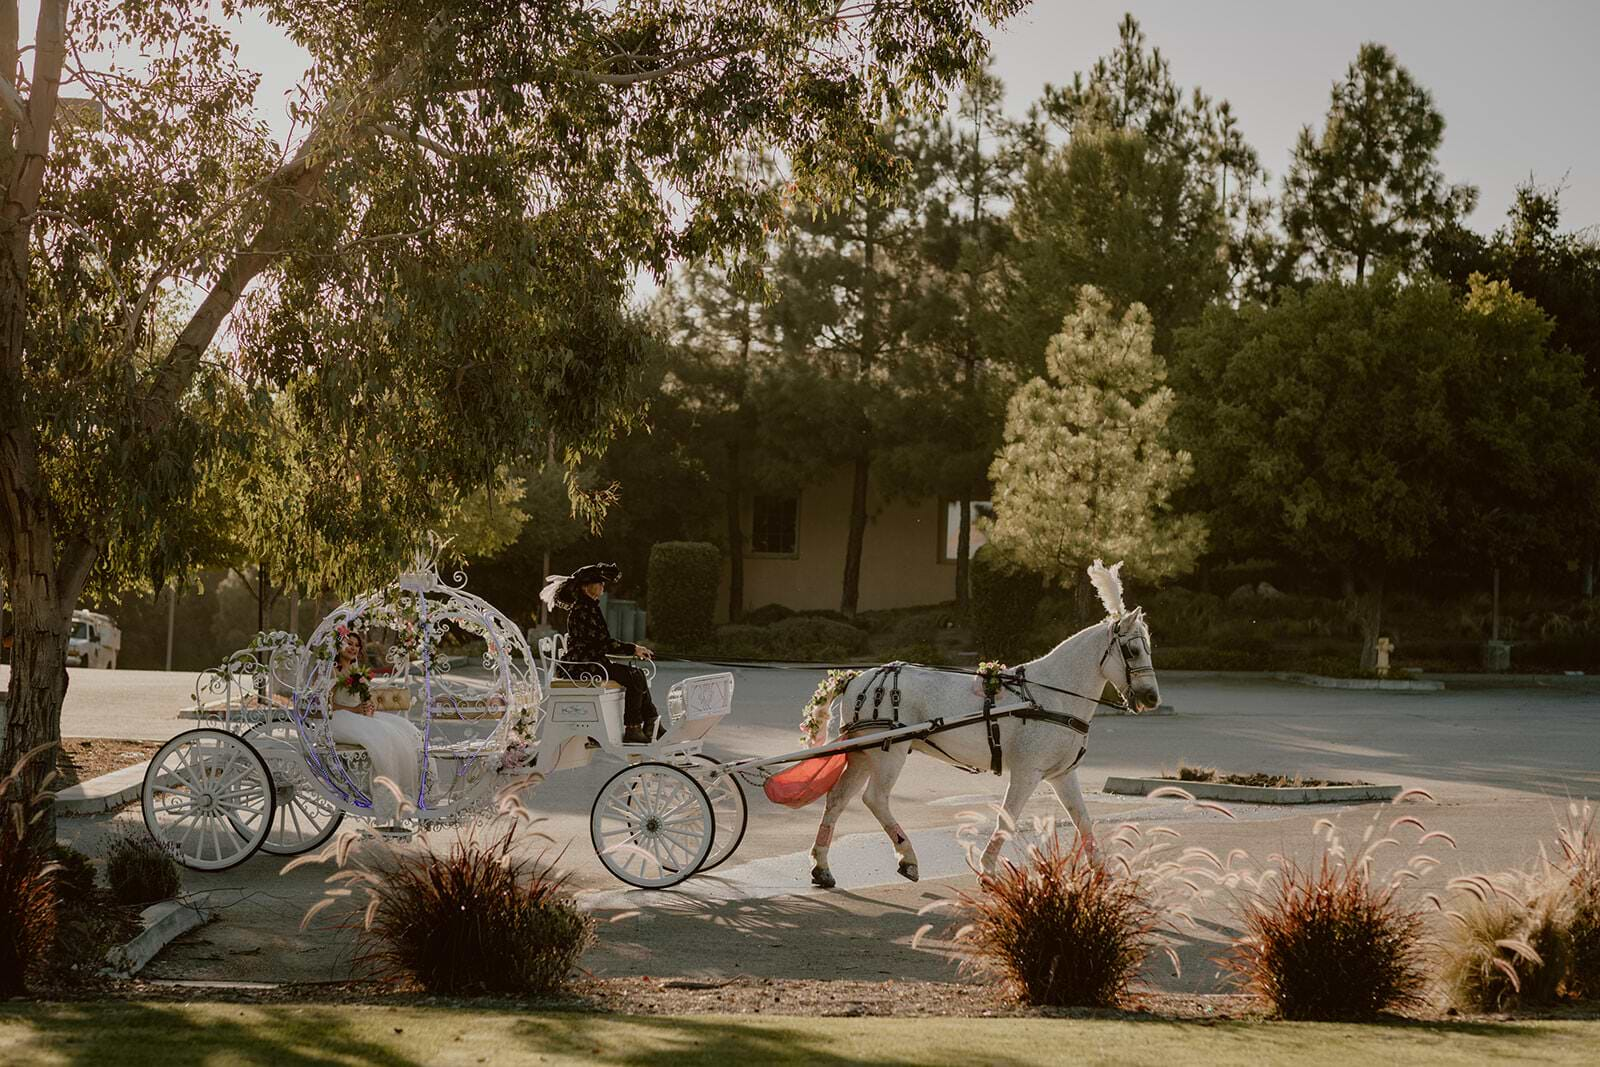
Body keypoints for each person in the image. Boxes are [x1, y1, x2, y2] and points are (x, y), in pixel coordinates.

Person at [540, 563, 659, 744]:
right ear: (586, 587)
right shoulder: (582, 610)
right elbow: (602, 643)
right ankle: (633, 728)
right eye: (599, 583)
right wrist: (633, 649)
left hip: (593, 662)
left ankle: (650, 722)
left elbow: (600, 643)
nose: (603, 586)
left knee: (637, 674)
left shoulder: (590, 607)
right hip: (582, 666)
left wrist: (633, 650)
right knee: (633, 676)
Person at [328, 627, 425, 822]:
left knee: (402, 730)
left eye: (357, 645)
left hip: (357, 716)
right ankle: (385, 795)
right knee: (380, 736)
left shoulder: (357, 671)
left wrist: (368, 706)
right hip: (338, 718)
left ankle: (405, 792)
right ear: (339, 645)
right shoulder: (332, 670)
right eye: (349, 643)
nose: (353, 648)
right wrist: (354, 711)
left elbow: (362, 698)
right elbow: (327, 704)